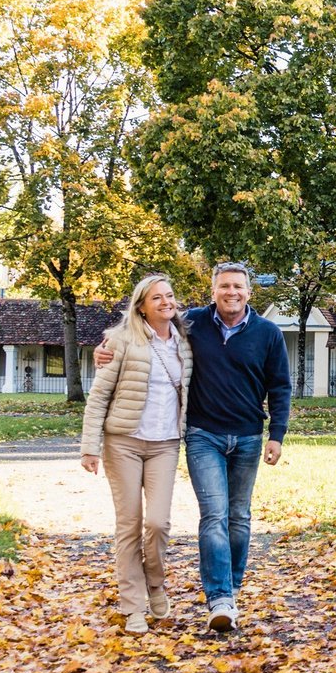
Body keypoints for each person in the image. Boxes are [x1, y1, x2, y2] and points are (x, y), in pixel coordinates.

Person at [97, 262, 289, 633]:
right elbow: (144, 331)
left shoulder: (268, 333)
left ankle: (230, 590)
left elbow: (280, 386)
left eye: (238, 286)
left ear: (249, 292)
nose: (231, 292)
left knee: (239, 519)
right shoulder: (193, 324)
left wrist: (276, 435)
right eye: (224, 287)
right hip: (203, 435)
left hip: (249, 436)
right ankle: (219, 598)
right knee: (214, 516)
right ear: (213, 290)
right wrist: (102, 351)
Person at [80, 274, 194, 634]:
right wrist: (89, 447)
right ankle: (133, 606)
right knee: (129, 525)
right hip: (124, 442)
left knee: (158, 523)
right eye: (156, 298)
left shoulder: (186, 343)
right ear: (141, 306)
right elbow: (99, 395)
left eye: (170, 295)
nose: (165, 302)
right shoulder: (121, 340)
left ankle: (156, 584)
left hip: (165, 444)